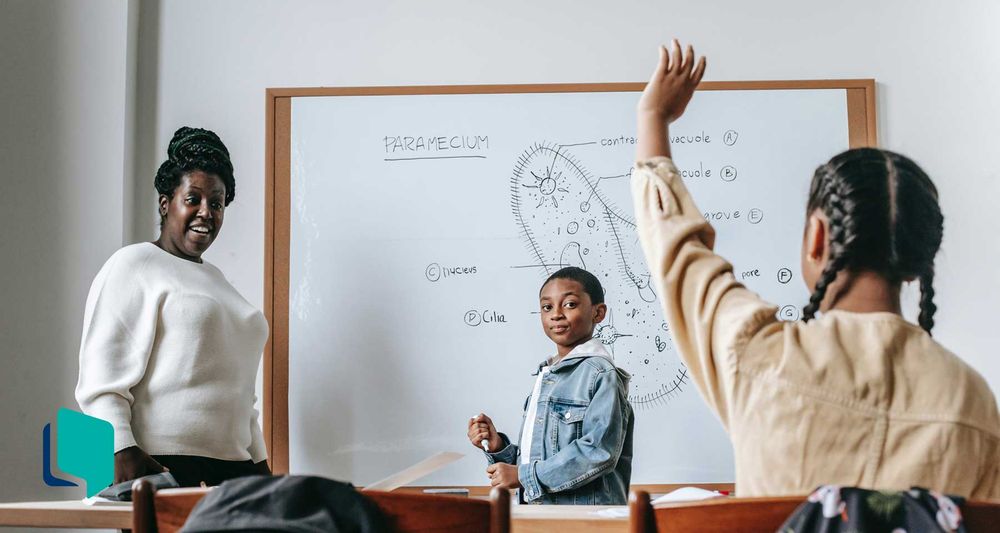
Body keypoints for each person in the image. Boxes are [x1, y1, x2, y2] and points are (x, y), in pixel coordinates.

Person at [631, 40, 999, 498]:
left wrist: (653, 120)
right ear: (917, 264)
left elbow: (678, 250)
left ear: (817, 237)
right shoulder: (973, 399)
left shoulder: (757, 354)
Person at [76, 127, 271, 487]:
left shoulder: (220, 283)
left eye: (216, 202)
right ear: (166, 203)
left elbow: (243, 397)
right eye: (192, 198)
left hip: (238, 471)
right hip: (163, 467)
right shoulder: (134, 264)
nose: (206, 212)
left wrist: (261, 465)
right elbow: (100, 381)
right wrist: (121, 449)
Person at [467, 267, 633, 505]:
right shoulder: (547, 376)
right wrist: (497, 447)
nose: (556, 314)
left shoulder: (600, 373)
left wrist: (523, 476)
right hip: (541, 516)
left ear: (598, 312)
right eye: (547, 307)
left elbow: (598, 452)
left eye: (570, 304)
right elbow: (540, 460)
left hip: (585, 522)